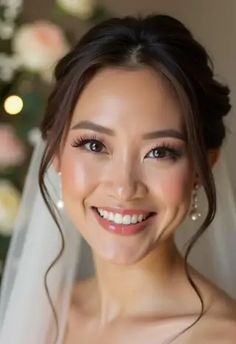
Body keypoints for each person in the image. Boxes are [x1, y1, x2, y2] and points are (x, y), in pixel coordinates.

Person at [0, 14, 236, 344]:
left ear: (203, 167)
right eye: (94, 145)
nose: (125, 188)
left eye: (160, 152)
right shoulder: (34, 314)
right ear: (55, 154)